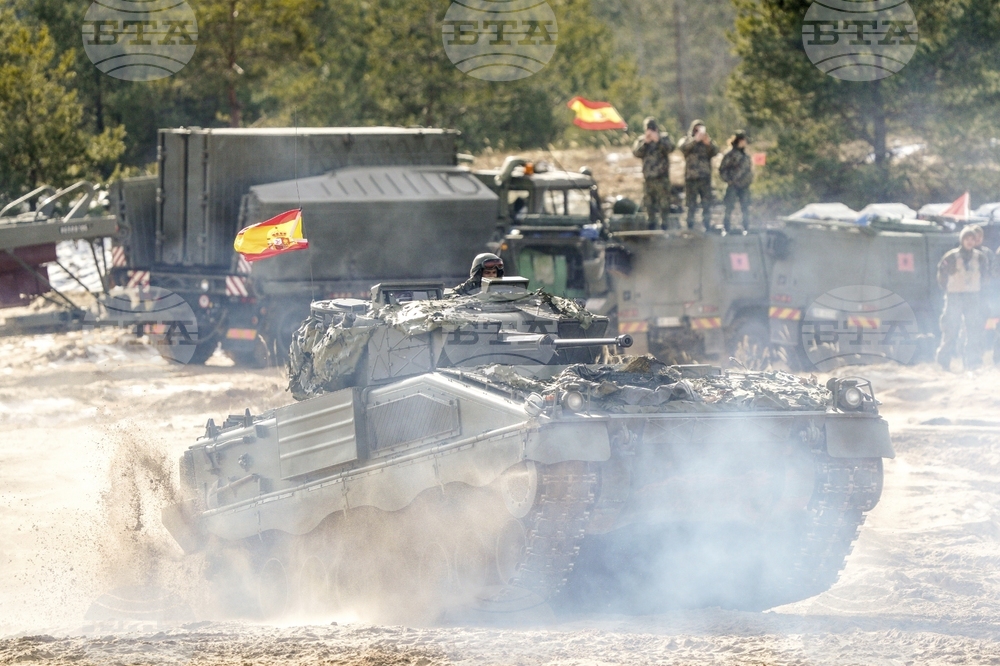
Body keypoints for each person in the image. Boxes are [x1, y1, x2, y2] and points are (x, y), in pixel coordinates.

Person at [936, 227, 990, 370]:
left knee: (973, 330)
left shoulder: (980, 257)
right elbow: (941, 274)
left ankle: (972, 363)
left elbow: (985, 276)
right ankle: (944, 361)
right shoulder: (951, 257)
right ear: (962, 240)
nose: (970, 242)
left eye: (972, 239)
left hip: (973, 297)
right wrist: (948, 288)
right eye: (967, 239)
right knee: (951, 329)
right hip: (954, 297)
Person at [631, 117, 675, 230]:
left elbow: (670, 148)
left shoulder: (664, 137)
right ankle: (651, 222)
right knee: (648, 202)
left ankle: (664, 223)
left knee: (664, 202)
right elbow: (636, 153)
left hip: (662, 177)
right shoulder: (642, 140)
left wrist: (658, 140)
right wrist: (645, 142)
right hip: (648, 177)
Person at [679, 119, 720, 232]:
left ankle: (707, 225)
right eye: (696, 129)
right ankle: (689, 226)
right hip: (691, 178)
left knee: (707, 204)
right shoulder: (687, 140)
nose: (698, 131)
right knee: (690, 204)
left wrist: (708, 143)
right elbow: (682, 148)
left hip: (705, 178)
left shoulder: (706, 142)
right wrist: (695, 140)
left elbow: (716, 151)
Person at [719, 131, 753, 235]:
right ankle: (726, 227)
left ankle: (746, 227)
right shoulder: (730, 154)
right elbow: (722, 169)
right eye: (743, 141)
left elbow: (748, 169)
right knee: (729, 207)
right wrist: (728, 180)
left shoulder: (745, 155)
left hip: (744, 186)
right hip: (733, 185)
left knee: (745, 207)